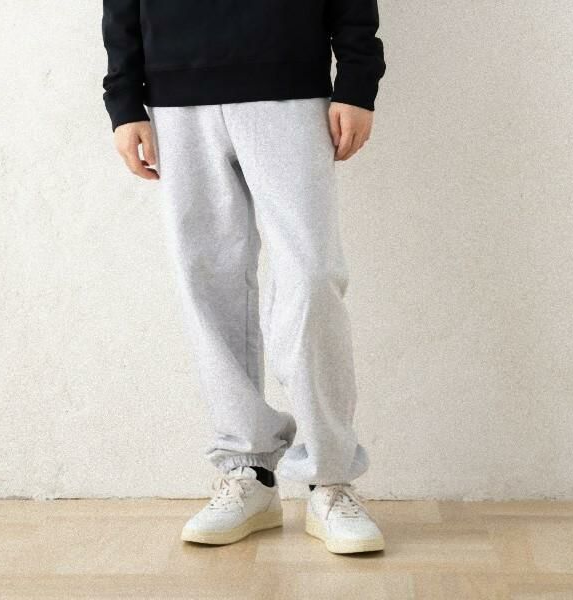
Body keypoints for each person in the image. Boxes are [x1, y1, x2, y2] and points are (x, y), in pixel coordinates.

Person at [102, 0, 386, 554]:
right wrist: (124, 99)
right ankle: (248, 469)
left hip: (291, 87)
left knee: (311, 277)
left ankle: (329, 478)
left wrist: (357, 79)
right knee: (208, 284)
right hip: (176, 96)